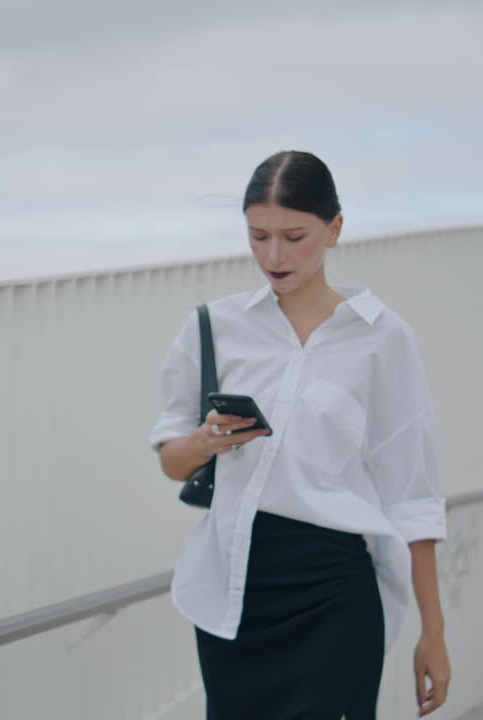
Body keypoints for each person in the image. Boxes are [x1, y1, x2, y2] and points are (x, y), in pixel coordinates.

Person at [148, 150, 451, 719]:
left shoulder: (384, 339)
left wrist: (433, 632)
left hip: (335, 588)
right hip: (236, 592)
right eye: (258, 236)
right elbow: (171, 460)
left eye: (294, 237)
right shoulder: (214, 328)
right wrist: (206, 441)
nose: (273, 256)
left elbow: (413, 496)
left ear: (334, 230)